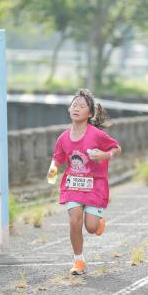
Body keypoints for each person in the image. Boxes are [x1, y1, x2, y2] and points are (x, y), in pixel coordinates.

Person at [47, 89, 121, 275]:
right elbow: (58, 158)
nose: (77, 108)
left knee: (91, 227)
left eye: (82, 106)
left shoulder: (96, 135)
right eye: (74, 105)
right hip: (73, 185)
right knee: (74, 221)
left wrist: (106, 155)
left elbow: (117, 148)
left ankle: (98, 222)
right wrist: (53, 169)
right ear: (69, 110)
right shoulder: (63, 137)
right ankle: (78, 261)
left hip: (95, 185)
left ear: (90, 113)